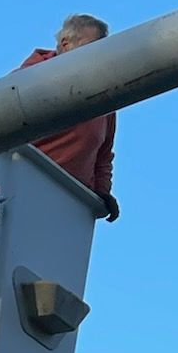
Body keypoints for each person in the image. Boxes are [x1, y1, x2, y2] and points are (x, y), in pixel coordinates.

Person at [20, 15, 119, 221]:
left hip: (70, 205)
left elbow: (103, 155)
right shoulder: (25, 82)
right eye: (92, 47)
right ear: (66, 44)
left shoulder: (104, 100)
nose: (98, 56)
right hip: (21, 191)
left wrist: (102, 193)